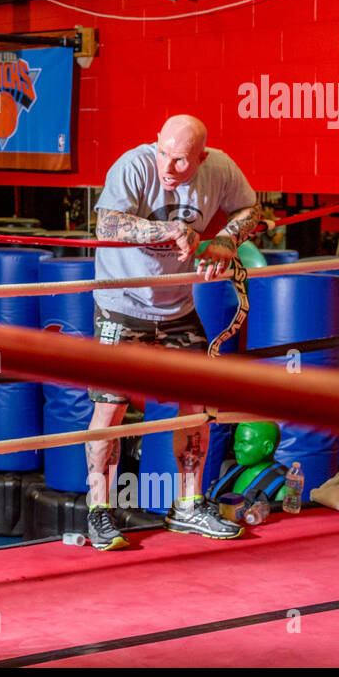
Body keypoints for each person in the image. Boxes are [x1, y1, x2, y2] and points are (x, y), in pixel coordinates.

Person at [83, 114, 261, 550]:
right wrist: (167, 229)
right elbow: (106, 224)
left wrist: (227, 239)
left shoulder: (219, 168)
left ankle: (186, 506)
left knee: (196, 402)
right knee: (111, 408)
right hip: (121, 306)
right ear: (154, 142)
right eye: (163, 152)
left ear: (201, 157)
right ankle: (99, 511)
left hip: (178, 307)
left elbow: (251, 208)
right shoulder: (134, 166)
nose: (168, 166)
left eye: (181, 160)